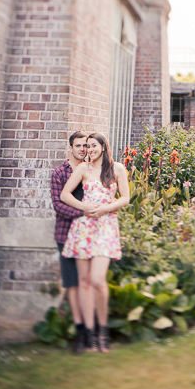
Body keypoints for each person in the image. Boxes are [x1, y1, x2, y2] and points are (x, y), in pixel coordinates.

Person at [61, 132, 130, 352]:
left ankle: (103, 332)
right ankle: (90, 336)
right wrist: (84, 207)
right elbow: (65, 194)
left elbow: (125, 198)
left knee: (98, 280)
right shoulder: (83, 168)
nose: (89, 150)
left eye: (93, 146)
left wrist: (106, 208)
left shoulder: (117, 169)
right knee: (84, 281)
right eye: (87, 146)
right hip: (84, 228)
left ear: (102, 146)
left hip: (106, 226)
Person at [50, 131, 96, 354]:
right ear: (70, 148)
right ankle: (80, 332)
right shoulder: (60, 173)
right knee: (73, 284)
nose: (82, 149)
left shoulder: (92, 171)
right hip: (66, 233)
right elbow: (58, 205)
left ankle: (91, 330)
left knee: (89, 282)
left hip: (90, 235)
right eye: (78, 145)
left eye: (85, 146)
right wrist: (84, 213)